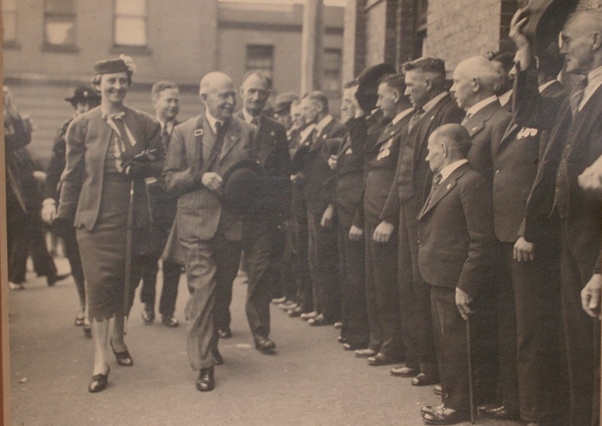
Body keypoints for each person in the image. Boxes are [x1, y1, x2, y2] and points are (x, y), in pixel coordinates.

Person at [511, 8, 602, 426]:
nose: (560, 48)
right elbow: (530, 113)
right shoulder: (577, 94)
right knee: (581, 349)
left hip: (595, 245)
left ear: (596, 41)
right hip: (573, 236)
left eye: (568, 39)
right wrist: (524, 51)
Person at [56, 56, 164, 393]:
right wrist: (63, 214)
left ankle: (119, 336)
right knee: (100, 284)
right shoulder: (81, 125)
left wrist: (141, 168)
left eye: (122, 81)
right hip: (94, 217)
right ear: (98, 84)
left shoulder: (145, 123)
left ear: (128, 85)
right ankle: (101, 358)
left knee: (126, 280)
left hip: (133, 215)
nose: (116, 86)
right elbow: (72, 175)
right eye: (110, 81)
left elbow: (161, 161)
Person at [477, 47, 567, 424]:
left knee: (532, 327)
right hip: (503, 234)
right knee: (508, 323)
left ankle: (537, 409)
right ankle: (513, 403)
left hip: (527, 238)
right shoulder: (515, 112)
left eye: (517, 67)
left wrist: (529, 229)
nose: (513, 74)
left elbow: (544, 174)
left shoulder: (558, 103)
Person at [163, 72, 255, 392]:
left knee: (221, 292)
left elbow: (254, 178)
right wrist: (199, 177)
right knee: (202, 291)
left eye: (233, 95)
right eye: (223, 96)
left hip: (231, 225)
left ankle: (210, 341)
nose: (231, 101)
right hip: (195, 223)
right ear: (204, 98)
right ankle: (203, 364)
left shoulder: (247, 132)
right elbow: (170, 180)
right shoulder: (184, 132)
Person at [381, 56, 464, 385]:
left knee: (423, 286)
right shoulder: (418, 115)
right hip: (408, 211)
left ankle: (432, 367)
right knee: (409, 286)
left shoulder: (447, 113)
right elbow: (403, 170)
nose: (407, 92)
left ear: (428, 84)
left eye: (412, 85)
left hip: (427, 212)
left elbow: (442, 171)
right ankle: (417, 358)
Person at [418, 124, 496, 425]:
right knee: (446, 343)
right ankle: (450, 401)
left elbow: (481, 239)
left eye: (429, 150)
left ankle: (458, 407)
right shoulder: (446, 180)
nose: (426, 157)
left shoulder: (469, 181)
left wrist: (466, 283)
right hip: (439, 274)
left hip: (455, 279)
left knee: (456, 344)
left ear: (444, 149)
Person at [353, 73, 413, 367]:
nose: (377, 102)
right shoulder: (388, 126)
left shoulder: (407, 126)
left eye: (381, 96)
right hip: (371, 214)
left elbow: (399, 177)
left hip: (385, 217)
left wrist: (388, 217)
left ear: (396, 96)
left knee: (387, 284)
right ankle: (378, 339)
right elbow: (369, 165)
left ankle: (392, 344)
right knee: (374, 283)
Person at [234, 71, 290, 353]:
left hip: (263, 217)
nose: (256, 97)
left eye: (262, 92)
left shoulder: (276, 129)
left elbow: (282, 175)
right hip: (230, 213)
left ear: (268, 96)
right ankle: (220, 320)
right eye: (251, 91)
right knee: (224, 271)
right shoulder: (227, 124)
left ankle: (260, 332)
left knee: (260, 273)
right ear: (241, 92)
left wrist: (280, 216)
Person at [41, 85, 100, 336]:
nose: (83, 109)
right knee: (76, 257)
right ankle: (84, 305)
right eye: (79, 104)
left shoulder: (103, 128)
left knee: (97, 259)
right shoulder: (66, 130)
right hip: (71, 203)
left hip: (98, 202)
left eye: (88, 104)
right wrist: (48, 200)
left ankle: (97, 307)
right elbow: (54, 168)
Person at [5, 86, 70, 291]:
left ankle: (47, 272)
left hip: (24, 197)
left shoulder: (19, 148)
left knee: (31, 232)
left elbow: (22, 140)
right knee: (24, 232)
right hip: (16, 196)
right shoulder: (13, 145)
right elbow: (21, 139)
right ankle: (15, 277)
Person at [134, 81, 182, 328]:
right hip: (151, 203)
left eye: (176, 100)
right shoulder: (145, 130)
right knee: (149, 258)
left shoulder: (185, 130)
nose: (173, 104)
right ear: (156, 102)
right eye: (168, 100)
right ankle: (147, 304)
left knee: (173, 260)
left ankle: (168, 310)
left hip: (176, 204)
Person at [299, 91, 346, 326]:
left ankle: (329, 310)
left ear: (318, 108)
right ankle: (319, 307)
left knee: (325, 258)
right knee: (315, 257)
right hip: (312, 202)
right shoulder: (316, 132)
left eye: (306, 108)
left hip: (324, 203)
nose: (302, 112)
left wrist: (331, 205)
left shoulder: (337, 131)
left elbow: (335, 174)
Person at [287, 100, 316, 318]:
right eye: (294, 114)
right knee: (297, 250)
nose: (297, 117)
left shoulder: (312, 134)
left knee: (306, 251)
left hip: (306, 198)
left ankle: (305, 300)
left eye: (301, 112)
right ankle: (299, 297)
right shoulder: (296, 134)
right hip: (296, 199)